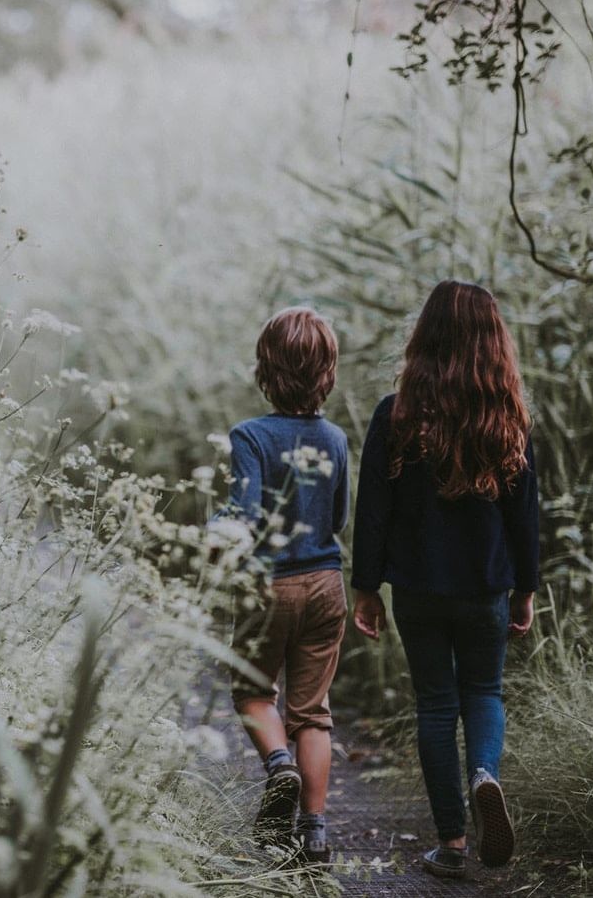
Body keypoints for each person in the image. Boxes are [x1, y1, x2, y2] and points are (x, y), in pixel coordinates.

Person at [351, 280, 539, 879]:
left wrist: (365, 586)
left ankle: (453, 845)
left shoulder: (397, 414)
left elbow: (372, 508)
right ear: (493, 343)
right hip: (484, 585)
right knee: (483, 692)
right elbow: (525, 512)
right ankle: (485, 773)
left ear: (423, 338)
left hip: (417, 588)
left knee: (435, 703)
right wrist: (526, 586)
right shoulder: (505, 416)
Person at [223, 306, 349, 864]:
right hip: (325, 584)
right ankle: (315, 833)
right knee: (312, 711)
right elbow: (338, 517)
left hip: (267, 585)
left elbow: (243, 516)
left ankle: (279, 767)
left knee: (252, 689)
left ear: (265, 369)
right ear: (328, 372)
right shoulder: (337, 438)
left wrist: (215, 533)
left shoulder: (249, 436)